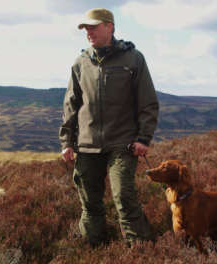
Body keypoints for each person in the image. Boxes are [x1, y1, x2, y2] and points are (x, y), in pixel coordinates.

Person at [59, 8, 159, 248]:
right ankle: (95, 250)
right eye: (86, 28)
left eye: (93, 27)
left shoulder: (133, 58)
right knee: (90, 202)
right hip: (86, 145)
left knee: (124, 197)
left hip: (122, 143)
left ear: (109, 27)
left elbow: (148, 102)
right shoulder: (80, 62)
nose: (89, 32)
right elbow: (71, 106)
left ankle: (142, 252)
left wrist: (143, 138)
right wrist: (67, 142)